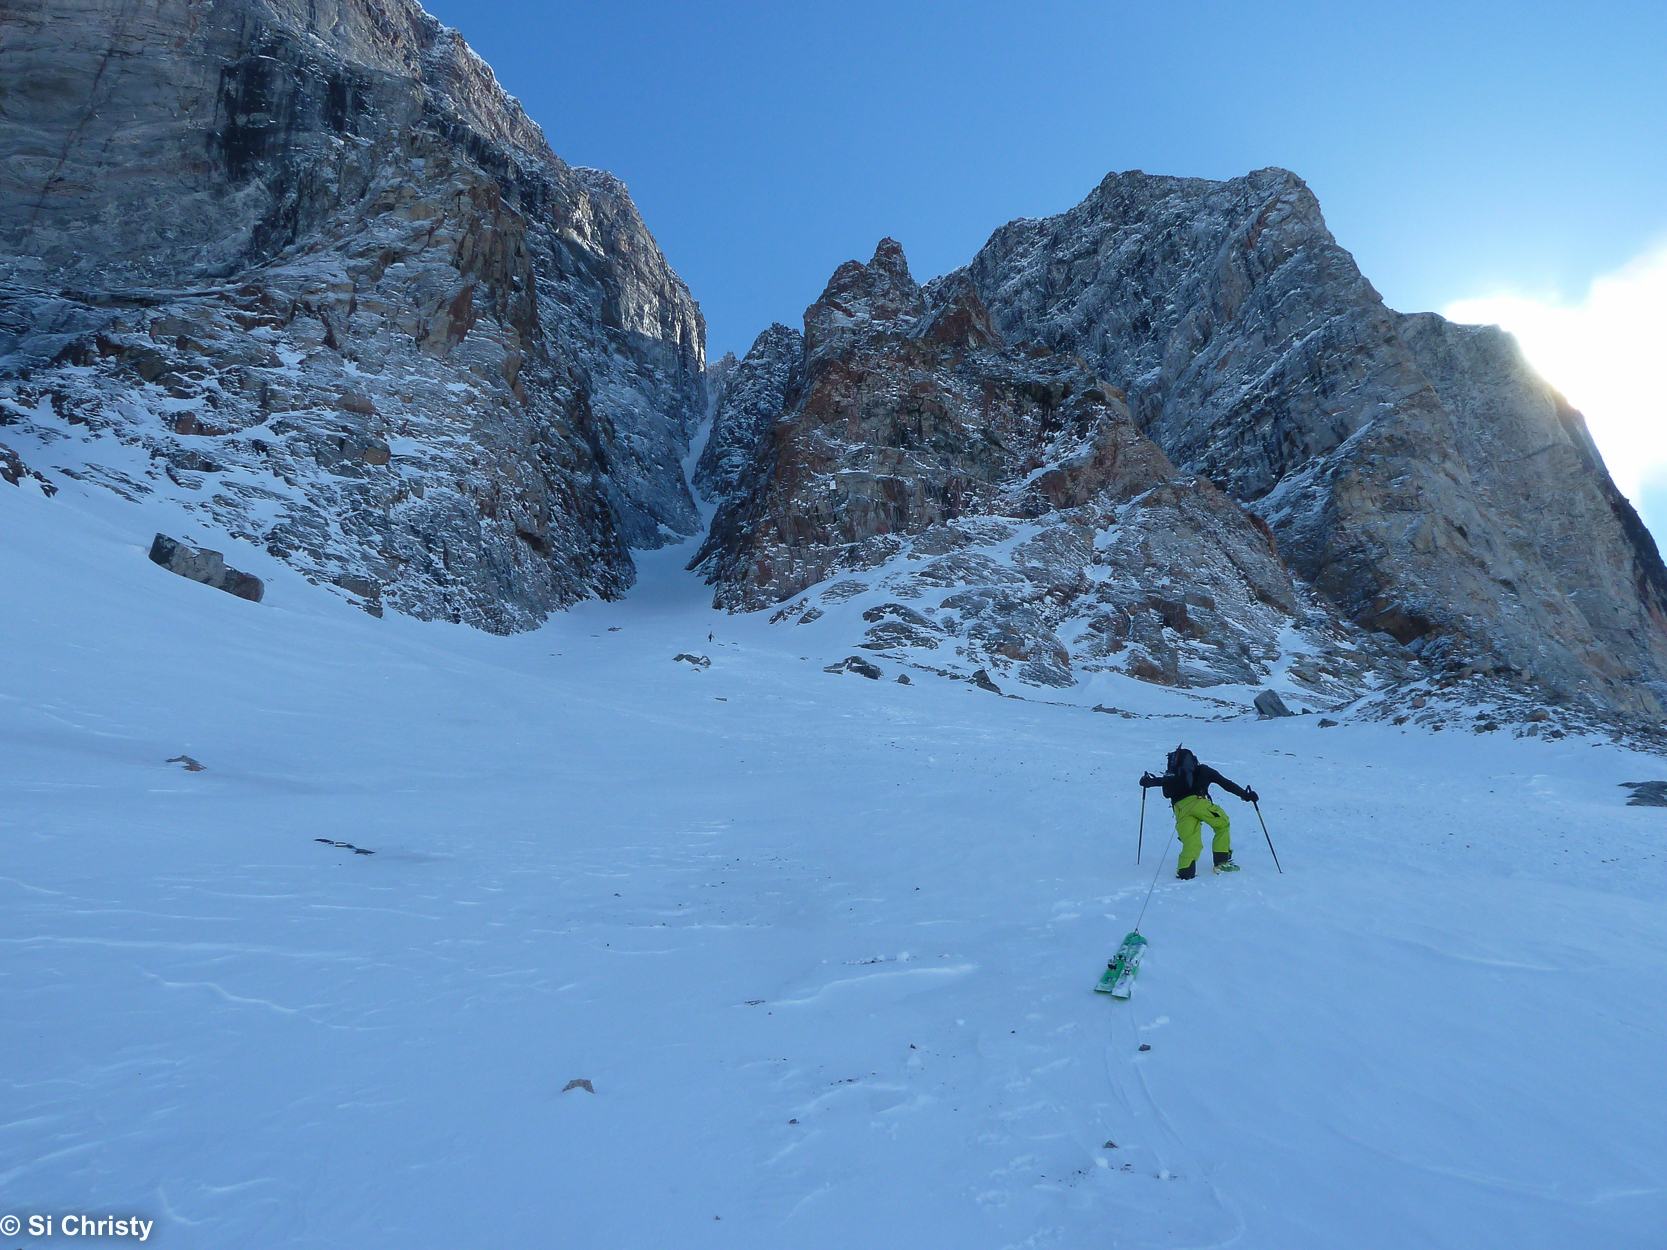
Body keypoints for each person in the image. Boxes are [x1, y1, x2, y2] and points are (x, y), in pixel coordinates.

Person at [1139, 746, 1259, 879]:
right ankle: (1221, 861)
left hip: (1179, 808)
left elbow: (1160, 781)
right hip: (1198, 803)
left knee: (1191, 842)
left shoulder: (1175, 776)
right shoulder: (1204, 770)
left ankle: (1185, 872)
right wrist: (1245, 795)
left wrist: (1148, 782)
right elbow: (1225, 783)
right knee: (1222, 824)